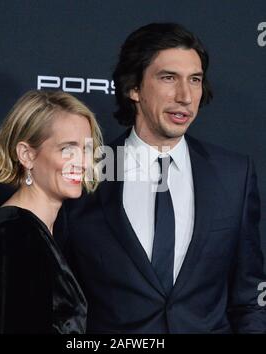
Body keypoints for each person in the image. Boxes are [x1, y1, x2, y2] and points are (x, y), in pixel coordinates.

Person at [64, 23, 266, 333]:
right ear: (134, 87)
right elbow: (61, 302)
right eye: (168, 78)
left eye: (195, 80)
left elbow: (249, 299)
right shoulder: (86, 173)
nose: (185, 96)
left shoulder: (234, 176)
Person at [0, 90, 103, 333]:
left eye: (86, 149)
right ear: (27, 155)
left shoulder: (42, 229)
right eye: (67, 149)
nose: (83, 162)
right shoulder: (15, 234)